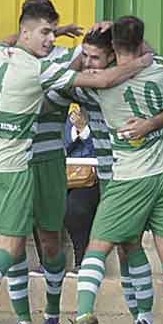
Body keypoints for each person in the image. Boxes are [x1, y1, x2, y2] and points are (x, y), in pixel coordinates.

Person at [0, 0, 151, 324]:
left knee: (37, 244)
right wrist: (141, 60)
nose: (51, 39)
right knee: (9, 247)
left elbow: (82, 65)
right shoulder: (43, 68)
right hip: (14, 164)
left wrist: (67, 37)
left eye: (54, 32)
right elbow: (98, 76)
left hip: (12, 160)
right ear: (26, 31)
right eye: (45, 32)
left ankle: (32, 316)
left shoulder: (0, 54)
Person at [58, 16, 163, 324]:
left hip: (127, 176)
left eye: (95, 56)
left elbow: (70, 80)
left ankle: (85, 312)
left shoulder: (98, 85)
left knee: (98, 248)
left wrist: (84, 57)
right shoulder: (158, 66)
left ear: (114, 50)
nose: (90, 62)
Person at [62, 104, 100, 269]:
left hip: (94, 178)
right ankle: (48, 263)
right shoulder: (71, 110)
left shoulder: (105, 109)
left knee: (75, 208)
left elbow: (102, 149)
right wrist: (75, 130)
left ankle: (82, 261)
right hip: (65, 175)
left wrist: (84, 130)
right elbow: (63, 146)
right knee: (40, 204)